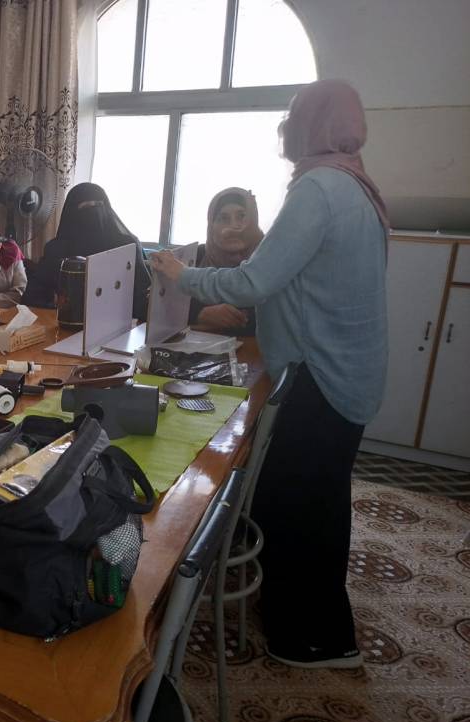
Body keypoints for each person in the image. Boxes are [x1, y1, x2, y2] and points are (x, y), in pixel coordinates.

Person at [149, 79, 389, 670]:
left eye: (293, 117)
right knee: (317, 499)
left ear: (313, 126)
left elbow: (254, 281)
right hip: (345, 372)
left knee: (299, 504)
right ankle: (316, 622)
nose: (285, 130)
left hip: (319, 377)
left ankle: (312, 638)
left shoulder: (318, 189)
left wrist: (181, 275)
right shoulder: (354, 182)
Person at [28, 183, 146, 317]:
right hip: (68, 323)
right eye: (86, 207)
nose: (94, 211)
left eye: (99, 205)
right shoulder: (56, 249)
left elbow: (143, 297)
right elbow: (33, 297)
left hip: (119, 323)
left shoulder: (126, 245)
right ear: (72, 213)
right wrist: (59, 307)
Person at [189, 187, 264, 335]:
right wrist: (199, 313)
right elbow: (159, 305)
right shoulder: (195, 256)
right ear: (211, 226)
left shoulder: (270, 260)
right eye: (223, 218)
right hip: (195, 347)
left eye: (242, 216)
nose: (234, 226)